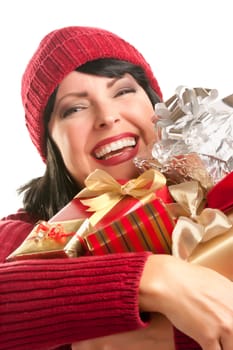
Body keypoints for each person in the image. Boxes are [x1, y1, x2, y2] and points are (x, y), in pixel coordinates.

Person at [1, 25, 233, 350]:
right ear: (51, 145)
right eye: (75, 108)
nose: (107, 117)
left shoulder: (217, 200)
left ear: (155, 108)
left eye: (123, 91)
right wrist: (151, 277)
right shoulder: (20, 236)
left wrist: (161, 336)